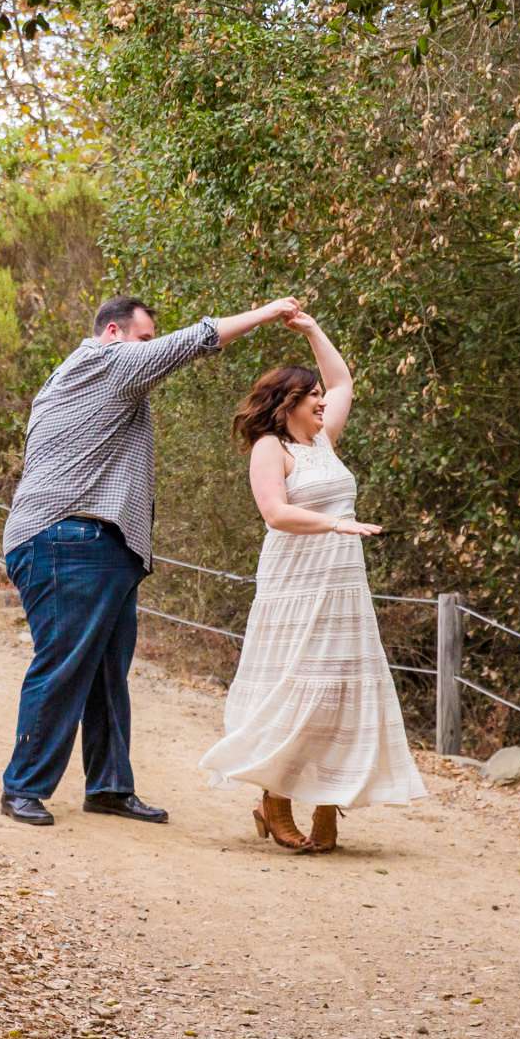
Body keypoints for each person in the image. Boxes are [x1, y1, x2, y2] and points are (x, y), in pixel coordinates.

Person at [0, 293, 302, 827]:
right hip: (68, 539)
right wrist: (266, 313)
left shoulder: (95, 381)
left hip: (99, 544)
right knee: (65, 665)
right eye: (143, 339)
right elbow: (192, 342)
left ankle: (110, 786)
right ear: (113, 333)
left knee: (105, 673)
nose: (149, 350)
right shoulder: (102, 362)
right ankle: (23, 786)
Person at [198, 311, 428, 851]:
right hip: (294, 585)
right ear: (288, 404)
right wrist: (334, 522)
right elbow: (276, 514)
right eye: (311, 397)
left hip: (343, 588)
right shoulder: (270, 449)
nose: (323, 402)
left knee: (341, 691)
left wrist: (311, 329)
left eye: (320, 396)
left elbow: (345, 380)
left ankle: (329, 802)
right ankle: (274, 800)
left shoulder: (324, 441)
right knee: (294, 686)